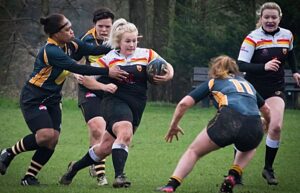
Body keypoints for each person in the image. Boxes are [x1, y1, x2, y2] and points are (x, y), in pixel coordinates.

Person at [0, 13, 128, 186]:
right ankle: (8, 153)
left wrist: (122, 44)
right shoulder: (51, 51)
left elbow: (94, 50)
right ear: (55, 33)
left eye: (70, 26)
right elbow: (75, 67)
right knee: (45, 135)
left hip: (53, 99)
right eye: (67, 29)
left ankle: (29, 177)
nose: (71, 31)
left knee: (52, 140)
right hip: (34, 97)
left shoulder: (72, 43)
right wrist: (108, 72)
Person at [59, 18, 174, 188]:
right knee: (125, 132)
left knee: (104, 148)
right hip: (114, 101)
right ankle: (120, 176)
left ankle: (73, 168)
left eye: (134, 40)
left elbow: (167, 66)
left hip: (137, 104)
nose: (132, 44)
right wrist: (103, 86)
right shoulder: (109, 58)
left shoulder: (147, 54)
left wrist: (168, 75)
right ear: (118, 42)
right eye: (128, 41)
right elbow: (86, 80)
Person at [157, 55, 271, 193]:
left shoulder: (214, 82)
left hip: (229, 118)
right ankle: (233, 175)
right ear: (234, 70)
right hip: (254, 123)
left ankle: (171, 185)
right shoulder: (248, 85)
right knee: (250, 147)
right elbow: (266, 109)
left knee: (194, 151)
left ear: (215, 69)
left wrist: (174, 125)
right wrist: (267, 123)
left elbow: (183, 104)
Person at [237, 2, 300, 185]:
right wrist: (263, 66)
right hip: (252, 90)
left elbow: (290, 53)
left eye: (274, 17)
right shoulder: (252, 38)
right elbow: (241, 65)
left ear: (279, 18)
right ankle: (236, 172)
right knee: (245, 131)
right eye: (266, 17)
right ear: (261, 19)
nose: (270, 20)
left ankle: (268, 169)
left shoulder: (287, 35)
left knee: (276, 127)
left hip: (275, 89)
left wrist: (295, 71)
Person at [74, 7, 115, 186]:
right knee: (98, 128)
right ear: (94, 25)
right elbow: (71, 61)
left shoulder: (117, 38)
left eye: (108, 26)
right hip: (89, 87)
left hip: (109, 89)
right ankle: (101, 176)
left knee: (100, 132)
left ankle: (89, 162)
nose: (104, 30)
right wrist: (75, 73)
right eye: (101, 26)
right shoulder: (86, 39)